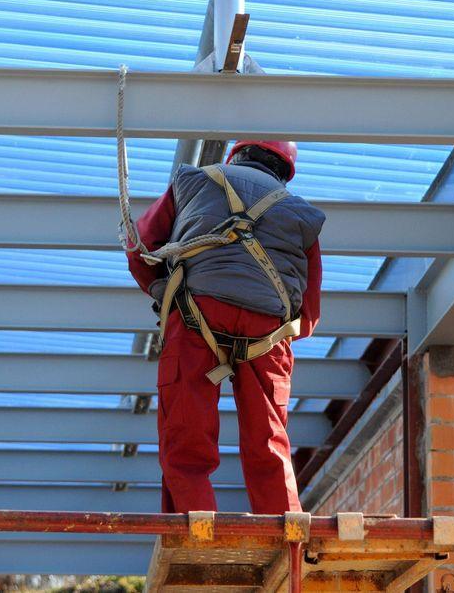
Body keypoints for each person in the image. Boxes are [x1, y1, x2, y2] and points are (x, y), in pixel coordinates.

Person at [126, 140, 325, 515]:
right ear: (284, 173)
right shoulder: (304, 215)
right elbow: (309, 313)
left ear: (235, 157)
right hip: (267, 331)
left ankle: (195, 526)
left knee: (184, 435)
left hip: (196, 311)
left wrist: (163, 292)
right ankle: (284, 533)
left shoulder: (192, 181)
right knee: (269, 440)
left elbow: (140, 246)